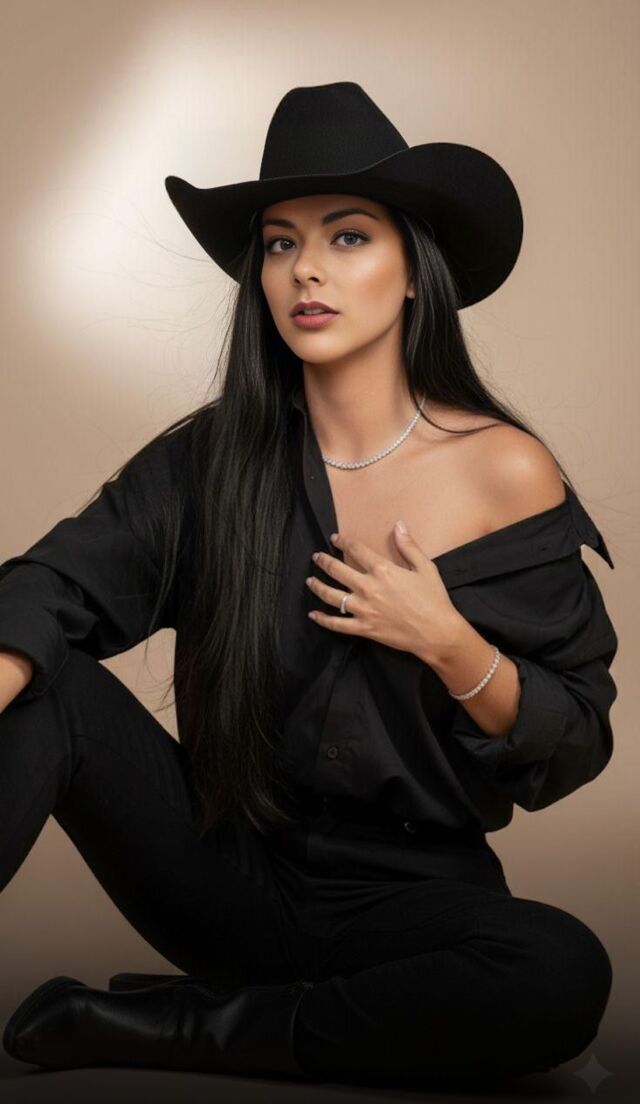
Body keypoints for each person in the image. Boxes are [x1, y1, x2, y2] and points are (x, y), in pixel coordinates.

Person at [0, 81, 618, 1090]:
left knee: (561, 972)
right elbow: (51, 584)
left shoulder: (504, 470)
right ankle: (265, 1013)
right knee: (34, 673)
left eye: (348, 237)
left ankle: (182, 1027)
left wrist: (449, 642)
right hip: (222, 875)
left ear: (414, 272)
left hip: (411, 903)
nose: (306, 271)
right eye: (280, 244)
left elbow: (577, 739)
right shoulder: (214, 461)